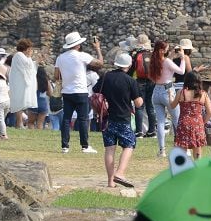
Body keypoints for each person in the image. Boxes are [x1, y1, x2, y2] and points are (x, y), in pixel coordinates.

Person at [98, 52, 145, 189]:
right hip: (123, 118)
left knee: (109, 149)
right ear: (129, 65)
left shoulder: (106, 77)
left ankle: (110, 182)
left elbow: (96, 92)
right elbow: (138, 103)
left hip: (107, 118)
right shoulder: (130, 81)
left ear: (116, 63)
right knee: (129, 144)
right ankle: (120, 172)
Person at [55, 32, 98, 155]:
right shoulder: (82, 56)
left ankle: (65, 146)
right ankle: (85, 146)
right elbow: (100, 63)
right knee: (83, 119)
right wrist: (98, 49)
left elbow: (56, 76)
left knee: (66, 119)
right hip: (80, 91)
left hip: (67, 91)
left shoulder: (60, 58)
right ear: (78, 45)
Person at [151, 38, 188, 156]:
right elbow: (181, 71)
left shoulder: (154, 61)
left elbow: (165, 65)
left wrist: (171, 55)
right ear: (162, 50)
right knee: (177, 119)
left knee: (161, 122)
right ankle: (183, 148)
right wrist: (182, 57)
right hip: (168, 90)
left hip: (156, 90)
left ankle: (162, 150)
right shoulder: (166, 61)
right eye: (166, 49)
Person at [169, 71, 210, 159]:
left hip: (184, 123)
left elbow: (172, 106)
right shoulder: (203, 94)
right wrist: (203, 122)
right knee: (197, 149)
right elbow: (210, 113)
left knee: (182, 150)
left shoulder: (181, 92)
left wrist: (170, 95)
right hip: (197, 124)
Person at [8, 39, 38, 127]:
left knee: (21, 102)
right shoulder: (19, 55)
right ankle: (19, 123)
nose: (30, 51)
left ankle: (19, 123)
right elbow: (27, 65)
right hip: (18, 82)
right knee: (18, 101)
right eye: (29, 49)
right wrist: (30, 57)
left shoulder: (23, 56)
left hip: (21, 82)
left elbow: (30, 66)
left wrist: (35, 61)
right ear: (26, 48)